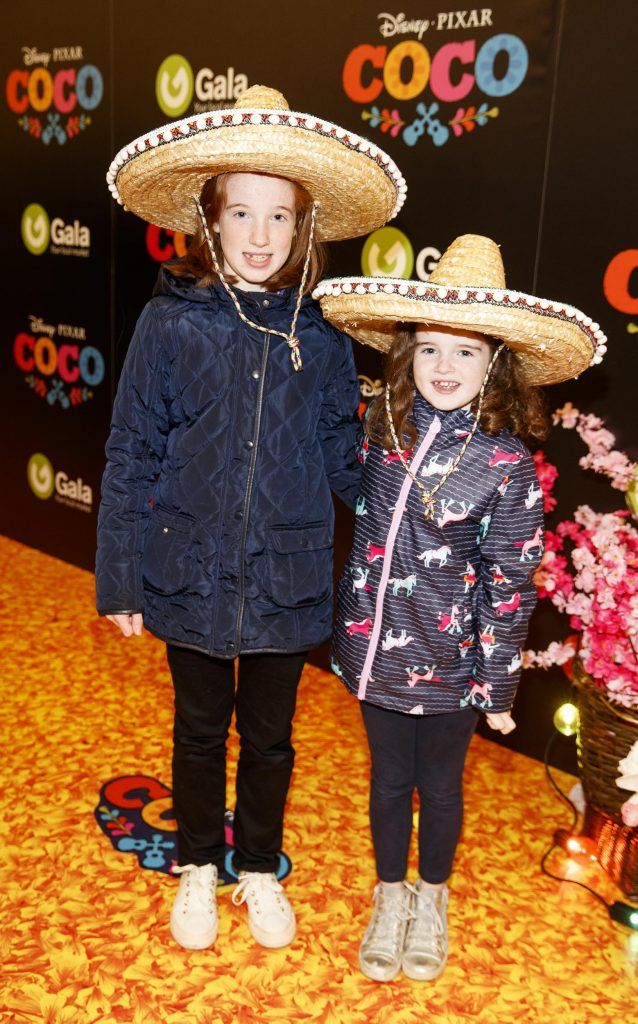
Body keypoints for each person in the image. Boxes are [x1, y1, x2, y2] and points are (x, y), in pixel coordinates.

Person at [96, 85, 405, 951]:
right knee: (198, 731)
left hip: (289, 578)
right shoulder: (169, 324)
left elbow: (346, 462)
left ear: (304, 228)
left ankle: (259, 868)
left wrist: (412, 488)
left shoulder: (327, 338)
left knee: (270, 740)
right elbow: (132, 454)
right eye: (242, 212)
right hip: (188, 573)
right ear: (210, 217)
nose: (261, 235)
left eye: (280, 216)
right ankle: (199, 864)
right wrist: (120, 575)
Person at [314, 234, 605, 981]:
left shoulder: (506, 462)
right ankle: (389, 895)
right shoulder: (383, 430)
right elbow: (359, 503)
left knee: (439, 787)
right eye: (431, 350)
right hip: (374, 651)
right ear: (407, 353)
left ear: (497, 365)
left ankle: (431, 897)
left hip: (453, 670)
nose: (446, 368)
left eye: (467, 353)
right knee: (386, 783)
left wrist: (497, 686)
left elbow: (510, 581)